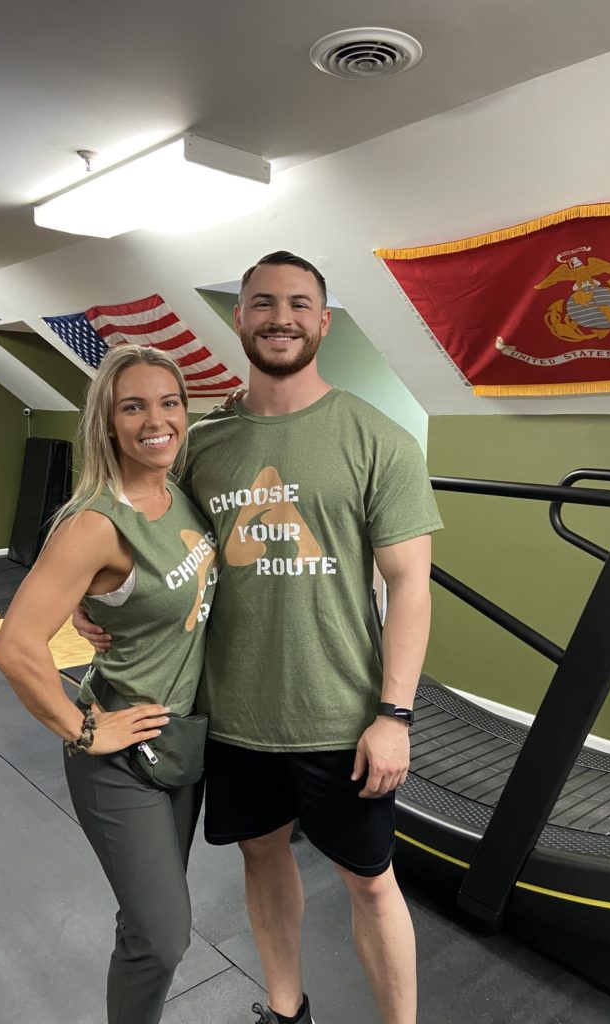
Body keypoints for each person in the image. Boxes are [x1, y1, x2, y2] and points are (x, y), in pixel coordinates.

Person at [77, 252, 442, 1024]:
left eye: (300, 304)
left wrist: (395, 714)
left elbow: (411, 585)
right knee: (261, 853)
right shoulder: (200, 444)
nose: (282, 317)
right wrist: (91, 600)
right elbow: (146, 532)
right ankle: (285, 1011)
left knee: (372, 882)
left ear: (324, 322)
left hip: (341, 716)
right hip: (234, 713)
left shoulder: (377, 439)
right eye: (264, 303)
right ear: (239, 318)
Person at [0, 344, 217, 1024]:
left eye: (170, 402)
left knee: (147, 922)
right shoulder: (94, 523)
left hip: (178, 743)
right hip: (121, 755)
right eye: (134, 406)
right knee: (164, 935)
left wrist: (100, 606)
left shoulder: (179, 493)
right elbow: (16, 647)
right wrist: (85, 728)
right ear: (108, 422)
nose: (157, 420)